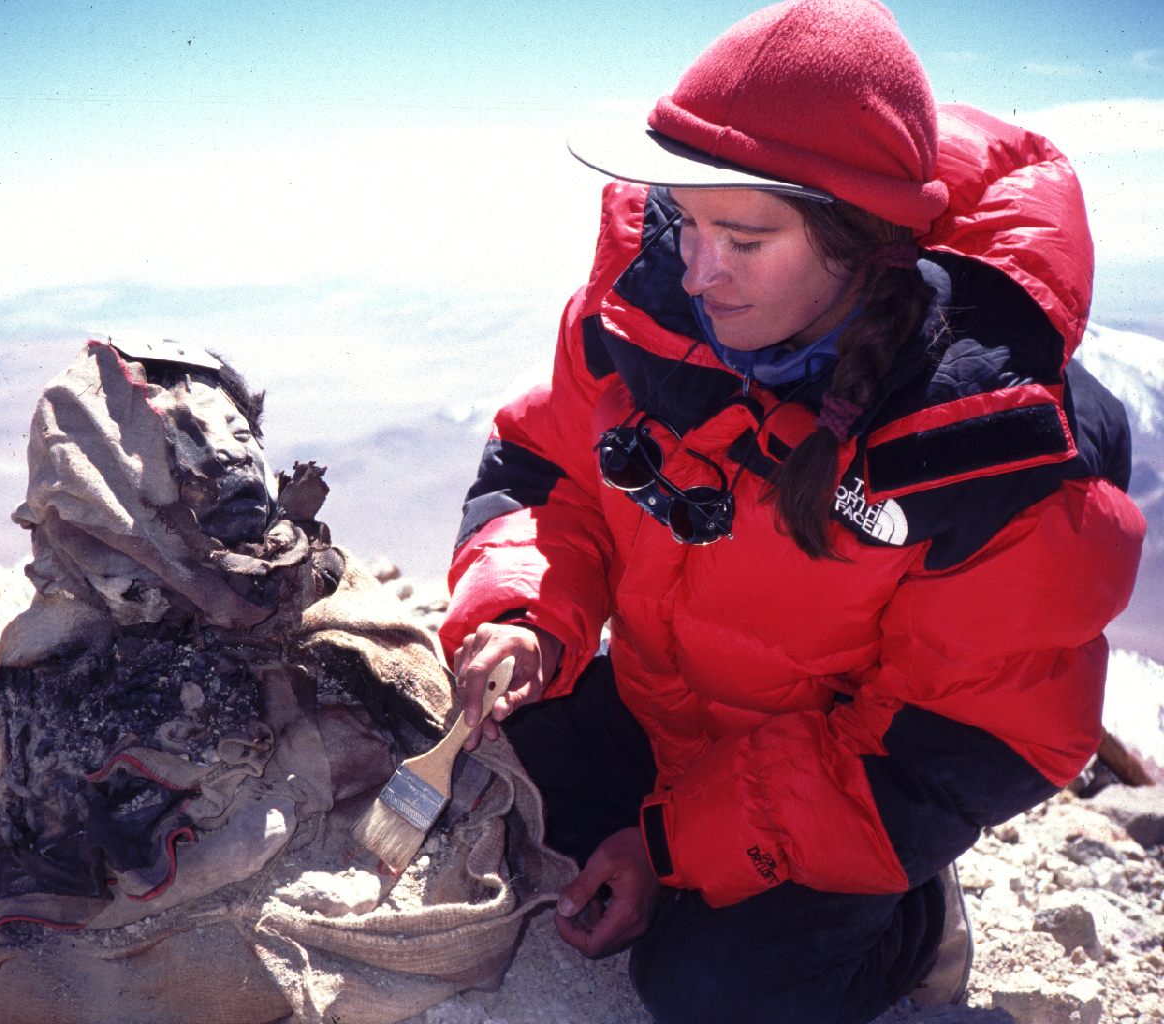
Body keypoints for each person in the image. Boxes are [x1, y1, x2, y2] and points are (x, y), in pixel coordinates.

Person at [439, 1, 1146, 1021]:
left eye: (744, 237)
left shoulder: (978, 457)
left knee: (709, 987)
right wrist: (525, 615)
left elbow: (951, 741)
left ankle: (912, 927)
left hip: (842, 773)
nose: (694, 268)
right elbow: (549, 473)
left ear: (862, 246)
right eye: (683, 219)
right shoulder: (636, 319)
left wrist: (666, 847)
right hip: (660, 706)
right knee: (477, 761)